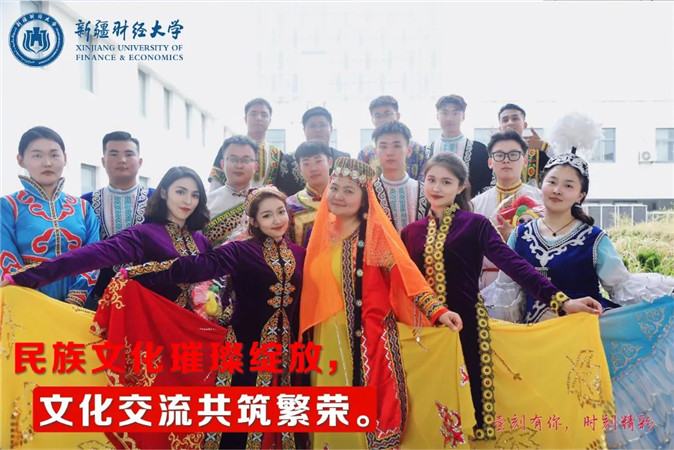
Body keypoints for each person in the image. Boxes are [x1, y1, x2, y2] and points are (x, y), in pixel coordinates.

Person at [400, 152, 602, 441]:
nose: (436, 188)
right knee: (430, 404)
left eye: (446, 182)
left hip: (468, 328)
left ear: (460, 187)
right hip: (426, 331)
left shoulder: (475, 225)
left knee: (475, 406)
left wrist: (562, 301)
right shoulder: (411, 233)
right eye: (431, 180)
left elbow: (515, 265)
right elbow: (404, 282)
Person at [124, 185, 305, 449]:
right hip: (245, 348)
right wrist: (139, 273)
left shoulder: (299, 254)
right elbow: (194, 266)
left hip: (287, 351)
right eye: (267, 215)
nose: (277, 220)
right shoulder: (240, 251)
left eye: (280, 212)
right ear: (254, 221)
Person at [301, 157, 464, 449]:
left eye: (349, 190)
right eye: (334, 187)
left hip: (367, 338)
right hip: (326, 335)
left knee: (368, 411)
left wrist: (438, 311)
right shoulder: (320, 231)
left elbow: (407, 276)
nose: (338, 195)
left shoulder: (374, 235)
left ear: (364, 198)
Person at [1, 166, 212, 308]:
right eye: (180, 192)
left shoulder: (201, 241)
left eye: (195, 195)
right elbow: (87, 256)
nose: (188, 201)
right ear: (164, 193)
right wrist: (23, 277)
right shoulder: (144, 235)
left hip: (195, 331)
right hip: (154, 329)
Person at [0, 126, 99, 305]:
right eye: (37, 155)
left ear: (65, 158)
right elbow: (6, 258)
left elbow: (93, 257)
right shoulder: (7, 206)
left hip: (77, 303)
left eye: (54, 155)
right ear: (21, 160)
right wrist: (32, 301)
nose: (47, 163)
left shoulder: (84, 208)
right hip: (27, 302)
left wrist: (76, 297)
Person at [81, 130, 154, 306]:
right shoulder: (85, 203)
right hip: (98, 298)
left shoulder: (158, 199)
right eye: (114, 154)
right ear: (103, 161)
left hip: (150, 296)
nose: (122, 160)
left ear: (140, 161)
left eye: (129, 154)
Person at [472, 130, 543, 288]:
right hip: (488, 284)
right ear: (490, 162)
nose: (506, 160)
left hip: (531, 281)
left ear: (525, 160)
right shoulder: (475, 205)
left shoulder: (541, 200)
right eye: (499, 155)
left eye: (513, 155)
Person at [208, 98, 303, 196]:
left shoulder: (277, 155)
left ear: (270, 120)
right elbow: (215, 185)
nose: (258, 118)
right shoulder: (230, 148)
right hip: (230, 203)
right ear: (245, 119)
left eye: (264, 114)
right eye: (253, 114)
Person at [426, 95, 493, 196]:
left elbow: (486, 184)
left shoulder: (479, 150)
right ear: (437, 116)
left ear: (463, 116)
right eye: (444, 113)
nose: (449, 118)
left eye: (455, 113)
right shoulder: (426, 151)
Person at [371, 121, 429, 233]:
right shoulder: (369, 193)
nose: (389, 152)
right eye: (383, 146)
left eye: (397, 146)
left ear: (409, 150)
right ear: (376, 152)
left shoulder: (425, 191)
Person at [357, 95, 429, 181]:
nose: (383, 119)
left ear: (398, 116)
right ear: (372, 120)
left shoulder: (417, 149)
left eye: (387, 114)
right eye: (378, 116)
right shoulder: (365, 153)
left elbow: (424, 181)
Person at [203, 135, 257, 246]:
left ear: (255, 166)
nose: (239, 165)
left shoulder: (264, 199)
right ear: (222, 164)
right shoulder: (206, 203)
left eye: (246, 160)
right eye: (233, 159)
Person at [286, 140, 332, 247]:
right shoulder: (289, 205)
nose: (313, 169)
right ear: (299, 168)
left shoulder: (345, 200)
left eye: (318, 161)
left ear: (330, 162)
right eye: (306, 164)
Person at [497, 103, 551, 185]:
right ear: (500, 128)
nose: (510, 123)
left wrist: (544, 147)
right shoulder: (491, 154)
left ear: (524, 125)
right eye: (505, 120)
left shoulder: (540, 151)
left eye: (515, 118)